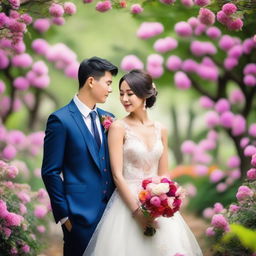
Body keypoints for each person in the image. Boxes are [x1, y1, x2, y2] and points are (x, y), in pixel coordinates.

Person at [84, 69, 203, 256]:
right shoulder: (118, 128)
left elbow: (164, 175)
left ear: (145, 94)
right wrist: (137, 213)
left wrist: (167, 199)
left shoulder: (161, 129)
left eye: (129, 94)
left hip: (157, 200)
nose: (124, 98)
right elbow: (117, 175)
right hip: (127, 203)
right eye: (121, 93)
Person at [41, 56, 118, 256]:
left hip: (113, 217)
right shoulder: (60, 120)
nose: (111, 89)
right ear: (91, 81)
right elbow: (50, 172)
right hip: (78, 219)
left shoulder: (109, 119)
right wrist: (64, 216)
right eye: (108, 83)